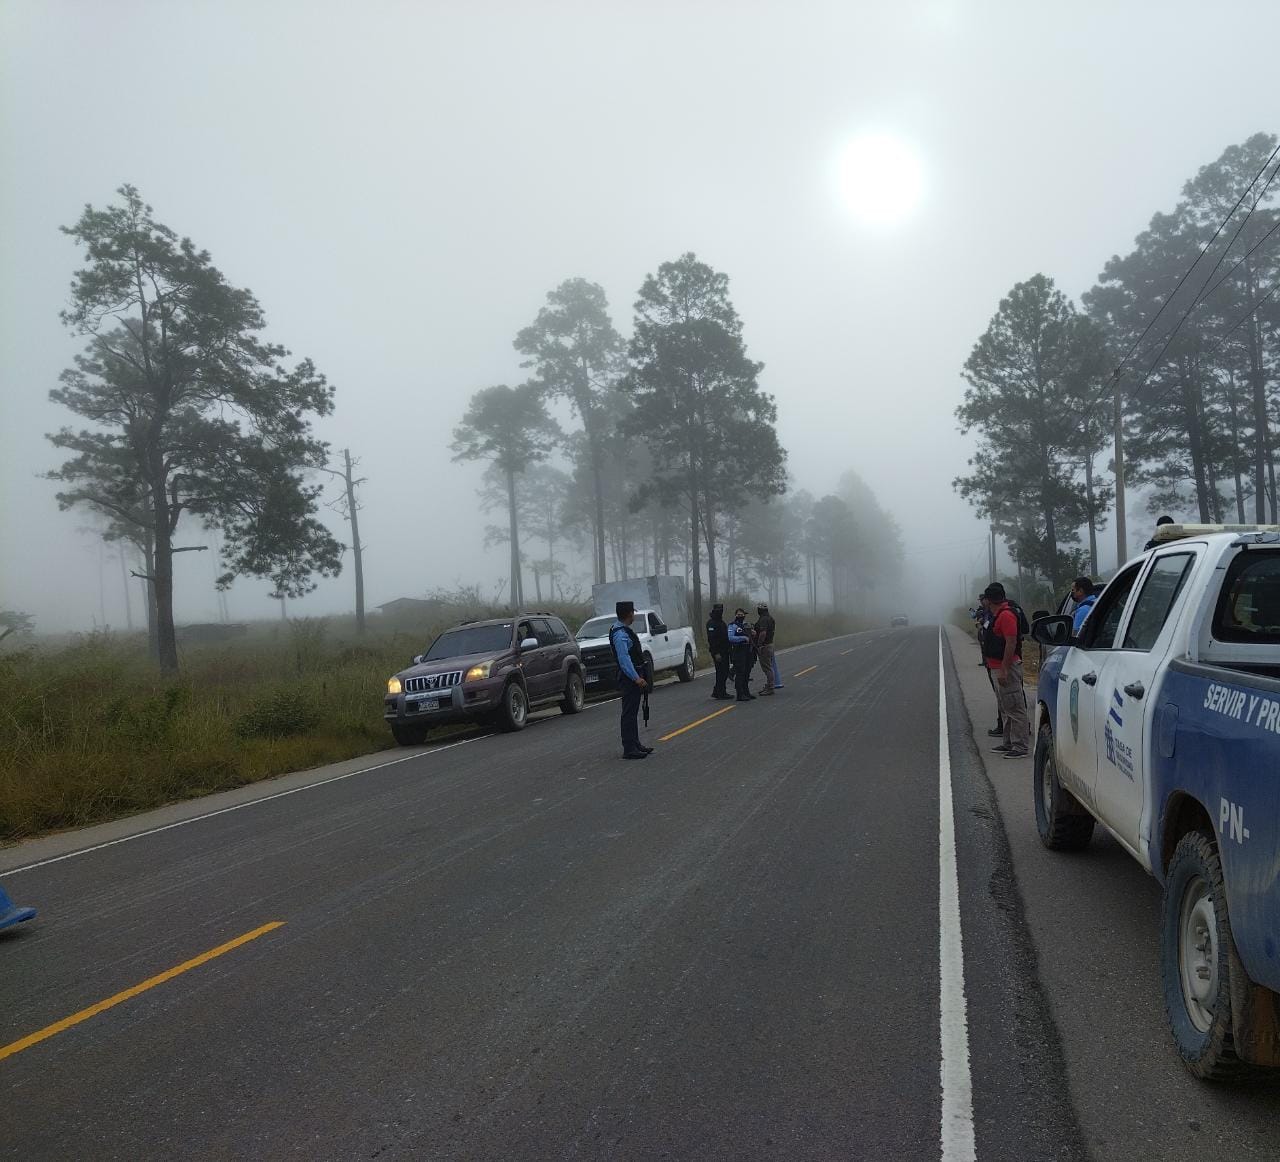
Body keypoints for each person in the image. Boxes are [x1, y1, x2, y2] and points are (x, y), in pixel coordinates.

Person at [982, 582, 1029, 759]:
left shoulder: (1006, 615)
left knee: (1014, 707)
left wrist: (1004, 669)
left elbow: (1011, 643)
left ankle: (1020, 746)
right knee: (1005, 707)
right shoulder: (997, 615)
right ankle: (1009, 742)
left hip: (1006, 668)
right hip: (996, 666)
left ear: (988, 600)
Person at [609, 601, 651, 760]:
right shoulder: (620, 634)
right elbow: (624, 659)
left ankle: (635, 743)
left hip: (632, 675)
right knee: (629, 713)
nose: (634, 615)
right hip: (629, 678)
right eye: (633, 612)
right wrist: (636, 678)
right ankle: (629, 748)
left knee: (633, 712)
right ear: (629, 614)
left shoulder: (621, 629)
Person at [976, 594, 1004, 738]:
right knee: (1001, 696)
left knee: (1005, 698)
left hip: (1001, 662)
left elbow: (1010, 641)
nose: (983, 602)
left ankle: (1007, 730)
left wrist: (1005, 667)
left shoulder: (1002, 614)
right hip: (993, 661)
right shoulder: (989, 612)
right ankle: (1005, 728)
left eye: (984, 599)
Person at [728, 608, 755, 701]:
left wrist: (753, 633)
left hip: (748, 650)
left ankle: (746, 692)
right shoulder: (732, 625)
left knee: (747, 672)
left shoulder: (746, 624)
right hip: (738, 650)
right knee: (740, 672)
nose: (741, 616)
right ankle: (740, 694)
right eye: (739, 615)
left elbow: (750, 635)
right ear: (735, 615)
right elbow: (730, 638)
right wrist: (743, 638)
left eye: (742, 615)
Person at [706, 603, 732, 700]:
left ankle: (717, 691)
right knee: (721, 672)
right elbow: (711, 639)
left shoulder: (721, 622)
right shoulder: (711, 623)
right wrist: (716, 653)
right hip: (718, 652)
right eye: (718, 610)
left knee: (724, 671)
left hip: (725, 650)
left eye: (721, 610)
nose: (720, 612)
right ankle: (721, 692)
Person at [754, 602, 777, 695]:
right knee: (768, 667)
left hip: (765, 646)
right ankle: (769, 685)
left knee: (767, 668)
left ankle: (770, 687)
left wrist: (759, 644)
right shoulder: (770, 618)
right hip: (769, 644)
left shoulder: (763, 619)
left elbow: (763, 633)